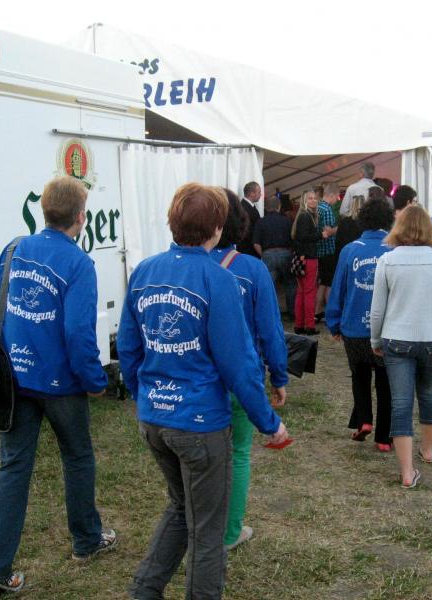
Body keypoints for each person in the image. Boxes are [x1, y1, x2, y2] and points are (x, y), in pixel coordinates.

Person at [117, 183, 289, 600]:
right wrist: (270, 423)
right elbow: (239, 364)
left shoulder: (145, 271)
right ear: (217, 227)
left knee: (181, 507)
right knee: (208, 531)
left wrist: (145, 397)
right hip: (198, 425)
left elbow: (128, 348)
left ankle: (144, 590)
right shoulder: (218, 279)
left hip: (156, 419)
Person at [0, 176, 115, 595]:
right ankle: (86, 540)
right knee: (78, 457)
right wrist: (95, 380)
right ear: (80, 218)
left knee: (13, 466)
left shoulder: (13, 249)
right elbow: (78, 333)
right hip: (60, 384)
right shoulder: (78, 263)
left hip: (14, 378)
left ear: (45, 210)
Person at [212, 189, 289, 550]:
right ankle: (230, 532)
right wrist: (279, 376)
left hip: (199, 378)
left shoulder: (187, 266)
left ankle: (200, 528)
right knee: (239, 452)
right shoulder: (251, 269)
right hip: (241, 378)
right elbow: (270, 329)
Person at [370, 205, 432, 489]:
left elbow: (377, 308)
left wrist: (375, 339)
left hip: (396, 338)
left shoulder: (387, 261)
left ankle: (407, 472)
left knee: (401, 403)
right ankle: (427, 450)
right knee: (429, 394)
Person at [326, 197, 395, 451]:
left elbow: (338, 289)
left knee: (359, 374)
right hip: (386, 328)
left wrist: (334, 322)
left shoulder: (350, 250)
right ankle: (384, 438)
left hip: (354, 327)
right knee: (386, 382)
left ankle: (364, 419)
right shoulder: (394, 250)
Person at [292, 189, 332, 334]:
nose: (313, 200)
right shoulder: (306, 216)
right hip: (308, 259)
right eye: (310, 198)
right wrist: (321, 235)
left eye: (315, 198)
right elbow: (304, 237)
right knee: (309, 293)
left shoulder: (303, 216)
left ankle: (299, 324)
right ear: (304, 201)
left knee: (301, 292)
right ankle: (309, 325)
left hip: (300, 258)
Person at [253, 195, 296, 320]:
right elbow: (293, 239)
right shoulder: (287, 221)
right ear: (279, 206)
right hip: (285, 253)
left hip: (268, 253)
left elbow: (256, 243)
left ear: (266, 207)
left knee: (269, 285)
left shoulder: (260, 222)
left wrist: (264, 254)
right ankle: (291, 312)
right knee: (290, 284)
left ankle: (271, 313)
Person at [315, 183, 339, 322]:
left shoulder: (317, 206)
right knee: (329, 283)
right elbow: (328, 231)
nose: (337, 199)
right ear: (331, 195)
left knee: (323, 283)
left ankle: (317, 312)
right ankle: (330, 314)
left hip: (319, 250)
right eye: (337, 196)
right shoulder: (327, 209)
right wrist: (339, 228)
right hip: (328, 250)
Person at [334, 195, 365, 266]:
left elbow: (338, 242)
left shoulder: (344, 222)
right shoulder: (368, 223)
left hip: (347, 256)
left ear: (351, 206)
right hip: (362, 257)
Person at [238, 181, 262, 256]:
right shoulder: (244, 208)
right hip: (248, 250)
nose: (260, 195)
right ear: (252, 193)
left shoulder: (247, 206)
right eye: (259, 192)